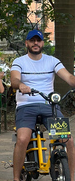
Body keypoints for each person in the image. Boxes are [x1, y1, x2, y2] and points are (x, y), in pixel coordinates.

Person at [11, 29, 75, 181]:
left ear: (42, 43)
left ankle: (72, 178)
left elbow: (69, 77)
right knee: (22, 139)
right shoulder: (19, 61)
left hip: (49, 105)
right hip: (26, 106)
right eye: (32, 41)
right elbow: (14, 79)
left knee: (69, 140)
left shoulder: (52, 61)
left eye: (38, 40)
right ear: (27, 43)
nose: (35, 43)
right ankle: (16, 178)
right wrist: (20, 85)